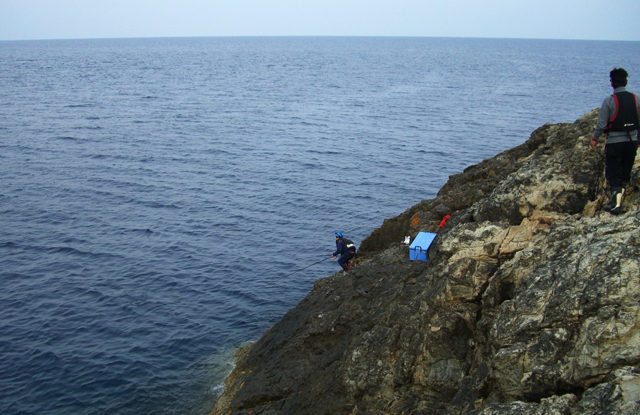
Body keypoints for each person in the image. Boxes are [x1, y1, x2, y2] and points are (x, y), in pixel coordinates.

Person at [591, 68, 639, 214]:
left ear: (612, 83)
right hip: (631, 141)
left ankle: (616, 204)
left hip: (615, 142)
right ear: (626, 81)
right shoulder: (636, 99)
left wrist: (595, 138)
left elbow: (601, 124)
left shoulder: (609, 101)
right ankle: (620, 201)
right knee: (625, 171)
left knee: (613, 172)